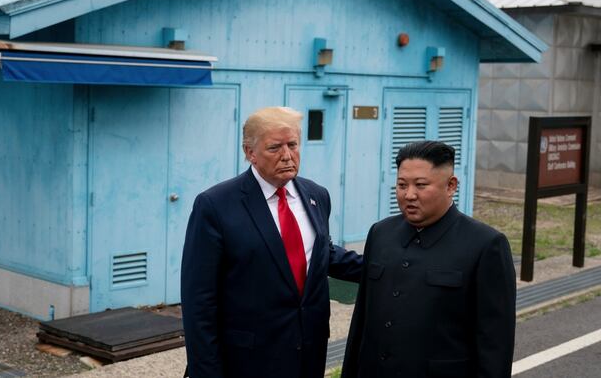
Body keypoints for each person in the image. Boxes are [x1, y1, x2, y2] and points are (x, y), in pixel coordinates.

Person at [181, 106, 363, 378]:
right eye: (275, 147)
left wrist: (389, 265)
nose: (287, 155)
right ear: (250, 153)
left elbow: (320, 254)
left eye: (293, 144)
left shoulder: (317, 195)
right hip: (248, 360)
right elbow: (199, 301)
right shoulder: (215, 206)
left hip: (309, 353)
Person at [342, 140, 516, 378]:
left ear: (451, 185)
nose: (409, 195)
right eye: (402, 185)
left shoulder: (485, 245)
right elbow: (361, 321)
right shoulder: (381, 233)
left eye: (421, 185)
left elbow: (495, 342)